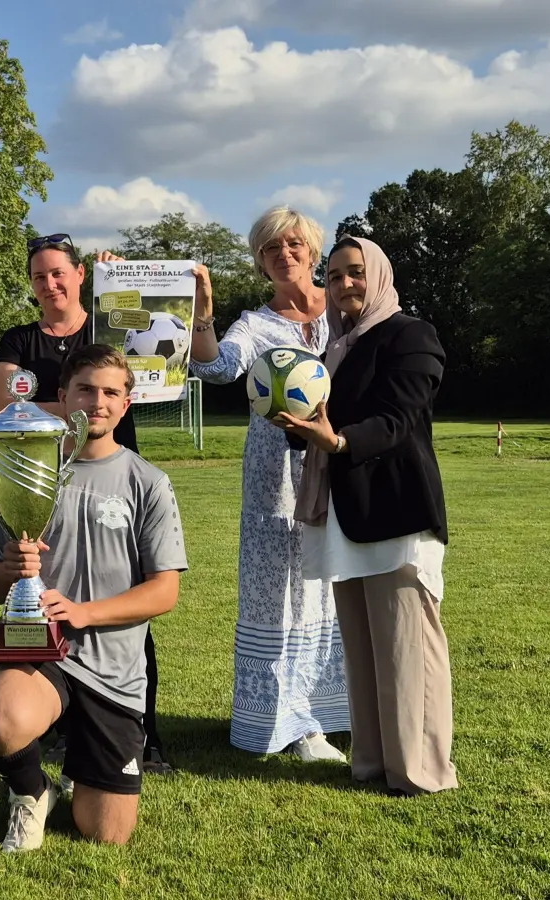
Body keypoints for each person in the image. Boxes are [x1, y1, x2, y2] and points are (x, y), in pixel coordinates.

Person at [0, 343, 187, 851]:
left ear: (127, 403)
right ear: (63, 396)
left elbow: (165, 591)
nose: (98, 401)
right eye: (86, 389)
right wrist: (11, 568)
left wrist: (85, 613)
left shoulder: (148, 482)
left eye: (111, 392)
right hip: (44, 652)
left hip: (115, 672)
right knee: (2, 719)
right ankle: (31, 791)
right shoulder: (22, 469)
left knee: (106, 833)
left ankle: (83, 772)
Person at [0, 234, 180, 774]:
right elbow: (5, 402)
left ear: (79, 275)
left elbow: (164, 349)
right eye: (38, 276)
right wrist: (87, 404)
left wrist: (129, 286)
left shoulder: (108, 325)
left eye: (58, 273)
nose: (49, 284)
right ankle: (52, 724)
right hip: (44, 479)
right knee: (49, 594)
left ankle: (145, 734)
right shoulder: (20, 340)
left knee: (129, 611)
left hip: (116, 470)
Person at [275, 236, 457, 795]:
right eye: (333, 277)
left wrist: (338, 439)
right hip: (345, 513)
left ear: (378, 275)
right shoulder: (335, 347)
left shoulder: (410, 334)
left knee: (407, 646)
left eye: (355, 272)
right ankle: (372, 763)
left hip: (396, 510)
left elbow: (400, 419)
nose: (344, 284)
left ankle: (420, 772)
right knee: (362, 647)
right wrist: (307, 432)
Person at [188, 207, 349, 762]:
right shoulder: (256, 326)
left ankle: (340, 712)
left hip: (344, 468)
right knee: (283, 597)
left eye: (294, 244)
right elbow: (215, 369)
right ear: (261, 261)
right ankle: (295, 725)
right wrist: (202, 314)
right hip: (274, 480)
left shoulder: (347, 312)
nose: (284, 254)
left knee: (338, 592)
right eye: (270, 248)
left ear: (313, 250)